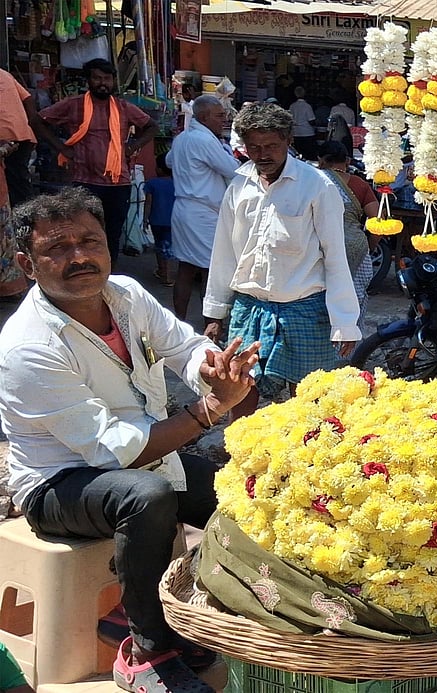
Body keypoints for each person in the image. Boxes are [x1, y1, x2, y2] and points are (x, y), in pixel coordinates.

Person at [0, 188, 260, 693]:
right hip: (59, 484)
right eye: (57, 248)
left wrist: (216, 370)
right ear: (26, 264)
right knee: (146, 498)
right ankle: (146, 647)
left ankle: (199, 613)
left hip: (147, 460)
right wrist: (209, 408)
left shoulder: (125, 295)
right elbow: (114, 451)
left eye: (90, 241)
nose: (79, 257)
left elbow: (183, 345)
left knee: (242, 489)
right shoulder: (27, 346)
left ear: (108, 246)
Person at [203, 102, 360, 420]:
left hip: (303, 310)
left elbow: (335, 256)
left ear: (289, 141)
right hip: (249, 308)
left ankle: (304, 460)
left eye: (271, 145)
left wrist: (345, 323)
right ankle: (242, 456)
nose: (262, 154)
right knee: (241, 390)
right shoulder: (238, 187)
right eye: (254, 147)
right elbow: (224, 254)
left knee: (308, 399)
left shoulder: (317, 185)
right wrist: (215, 313)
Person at [28, 59, 157, 264]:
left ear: (113, 81)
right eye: (97, 78)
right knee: (84, 232)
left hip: (118, 183)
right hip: (84, 181)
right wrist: (61, 148)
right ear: (88, 80)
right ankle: (87, 273)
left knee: (112, 234)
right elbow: (37, 121)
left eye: (107, 78)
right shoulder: (74, 105)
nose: (102, 83)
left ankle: (108, 276)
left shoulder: (123, 107)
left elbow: (151, 126)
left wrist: (133, 146)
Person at [165, 95, 239, 322]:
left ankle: (180, 322)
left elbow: (168, 161)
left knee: (186, 269)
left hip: (185, 209)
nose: (223, 120)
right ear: (204, 117)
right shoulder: (203, 140)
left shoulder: (183, 139)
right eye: (219, 116)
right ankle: (211, 327)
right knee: (210, 272)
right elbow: (232, 169)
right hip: (201, 212)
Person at [316, 141, 378, 328]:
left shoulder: (314, 180)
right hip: (354, 249)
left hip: (319, 247)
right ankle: (349, 347)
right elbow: (378, 221)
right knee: (352, 298)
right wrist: (369, 247)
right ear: (348, 161)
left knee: (318, 297)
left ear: (320, 161)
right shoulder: (359, 185)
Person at [0, 66, 37, 207]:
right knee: (19, 182)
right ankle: (28, 220)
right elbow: (28, 98)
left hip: (5, 136)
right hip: (22, 134)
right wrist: (30, 125)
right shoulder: (4, 74)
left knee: (13, 183)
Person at [143, 155, 176, 287]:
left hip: (156, 220)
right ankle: (166, 274)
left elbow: (148, 202)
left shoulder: (152, 183)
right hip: (172, 220)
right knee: (168, 247)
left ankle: (163, 272)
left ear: (160, 169)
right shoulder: (177, 183)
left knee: (159, 246)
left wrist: (145, 219)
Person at [288, 87, 318, 161]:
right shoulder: (307, 106)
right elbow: (311, 120)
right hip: (307, 132)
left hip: (296, 132)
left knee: (298, 154)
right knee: (309, 154)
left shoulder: (292, 106)